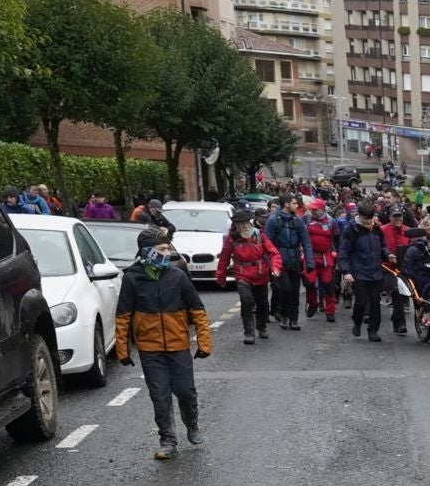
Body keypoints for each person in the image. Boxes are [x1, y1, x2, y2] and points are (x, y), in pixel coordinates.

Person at [114, 231, 211, 461]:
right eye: (162, 250)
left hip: (178, 345)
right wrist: (122, 349)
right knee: (160, 395)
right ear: (147, 252)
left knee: (186, 391)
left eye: (168, 249)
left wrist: (204, 342)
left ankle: (192, 424)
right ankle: (168, 440)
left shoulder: (177, 276)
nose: (169, 253)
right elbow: (123, 316)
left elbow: (198, 309)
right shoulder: (132, 278)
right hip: (150, 349)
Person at [214, 212, 280, 344]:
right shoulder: (232, 239)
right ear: (236, 226)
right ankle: (249, 331)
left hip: (260, 274)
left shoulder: (260, 235)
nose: (245, 227)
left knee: (262, 303)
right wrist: (221, 276)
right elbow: (224, 259)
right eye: (241, 224)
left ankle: (261, 327)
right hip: (242, 273)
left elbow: (273, 253)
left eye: (247, 223)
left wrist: (275, 268)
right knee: (246, 300)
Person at [337, 202, 390, 344]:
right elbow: (343, 252)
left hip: (376, 272)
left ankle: (373, 331)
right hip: (358, 272)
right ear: (359, 216)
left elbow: (383, 247)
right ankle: (357, 321)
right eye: (366, 218)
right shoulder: (351, 231)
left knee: (375, 303)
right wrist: (346, 271)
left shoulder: (377, 230)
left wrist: (388, 254)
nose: (369, 221)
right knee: (361, 301)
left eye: (371, 218)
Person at [263, 196, 312, 329]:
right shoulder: (273, 220)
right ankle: (285, 315)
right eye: (294, 203)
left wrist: (309, 262)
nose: (297, 206)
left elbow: (306, 241)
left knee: (295, 291)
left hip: (295, 259)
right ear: (286, 204)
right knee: (285, 289)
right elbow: (267, 242)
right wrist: (270, 263)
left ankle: (294, 319)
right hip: (279, 260)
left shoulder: (298, 221)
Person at [379, 207, 414, 334]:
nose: (398, 218)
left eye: (400, 216)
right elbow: (379, 248)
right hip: (387, 268)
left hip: (405, 268)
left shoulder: (408, 231)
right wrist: (387, 255)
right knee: (396, 289)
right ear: (390, 217)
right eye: (395, 216)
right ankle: (400, 323)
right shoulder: (382, 230)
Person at [303, 204, 339, 323]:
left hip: (326, 257)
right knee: (309, 284)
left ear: (322, 209)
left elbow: (337, 238)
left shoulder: (331, 221)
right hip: (310, 256)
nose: (312, 211)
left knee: (328, 285)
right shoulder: (307, 218)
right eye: (311, 209)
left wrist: (336, 253)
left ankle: (330, 311)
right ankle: (313, 304)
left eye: (315, 209)